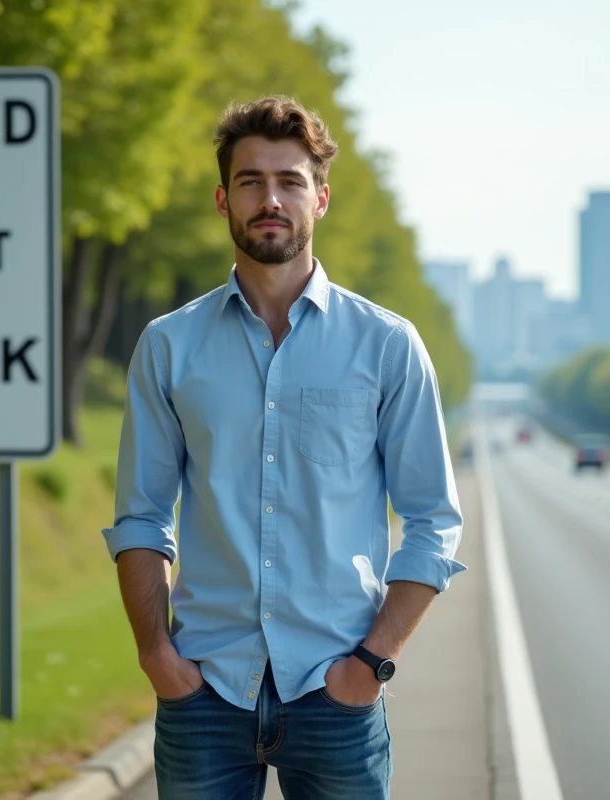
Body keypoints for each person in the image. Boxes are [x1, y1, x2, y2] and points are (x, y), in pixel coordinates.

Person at [102, 95, 466, 800]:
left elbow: (433, 521)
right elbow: (142, 515)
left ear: (321, 198)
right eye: (250, 181)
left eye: (290, 181)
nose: (271, 198)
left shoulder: (388, 346)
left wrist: (371, 664)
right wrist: (157, 657)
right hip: (204, 693)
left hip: (337, 690)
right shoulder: (169, 346)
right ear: (222, 199)